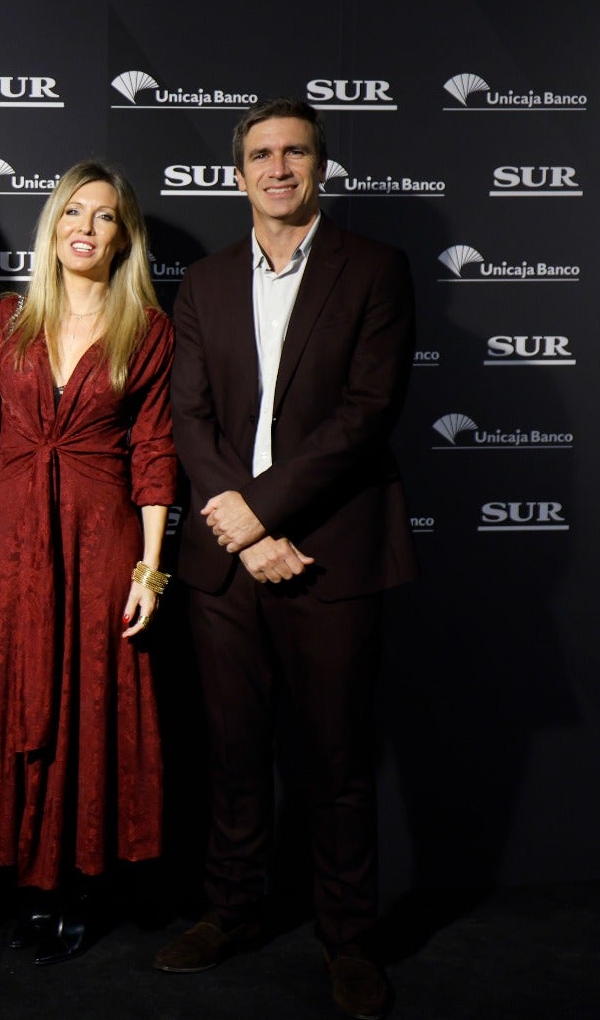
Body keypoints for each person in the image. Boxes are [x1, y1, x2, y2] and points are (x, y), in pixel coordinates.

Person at [157, 98, 417, 1020]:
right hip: (227, 563)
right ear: (238, 175)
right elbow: (189, 417)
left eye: (294, 152)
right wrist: (246, 533)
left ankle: (346, 938)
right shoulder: (204, 280)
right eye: (260, 155)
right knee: (231, 750)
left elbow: (364, 415)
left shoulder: (377, 270)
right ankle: (231, 909)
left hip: (334, 551)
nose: (277, 168)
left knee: (338, 759)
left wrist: (262, 513)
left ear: (319, 166)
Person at [0, 160, 176, 966]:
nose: (85, 227)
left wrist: (149, 568)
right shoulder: (7, 321)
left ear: (126, 236)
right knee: (19, 696)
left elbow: (155, 453)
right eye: (72, 212)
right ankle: (30, 881)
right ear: (53, 226)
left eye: (106, 216)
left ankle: (81, 883)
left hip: (101, 546)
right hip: (13, 549)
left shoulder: (149, 331)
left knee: (91, 708)